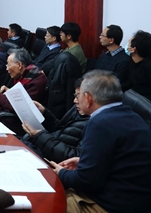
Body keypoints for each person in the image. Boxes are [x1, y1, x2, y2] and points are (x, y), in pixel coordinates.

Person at [50, 70, 151, 213]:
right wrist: (83, 162)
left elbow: (86, 181)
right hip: (135, 200)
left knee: (49, 203)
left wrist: (61, 173)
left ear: (88, 98)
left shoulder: (100, 123)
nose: (75, 100)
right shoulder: (133, 116)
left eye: (78, 95)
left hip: (112, 205)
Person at [22, 78, 89, 163]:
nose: (75, 100)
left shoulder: (97, 124)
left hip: (52, 161)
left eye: (78, 96)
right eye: (75, 96)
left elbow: (74, 157)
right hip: (41, 149)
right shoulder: (77, 109)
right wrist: (44, 113)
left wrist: (39, 136)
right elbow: (60, 129)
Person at [0, 48, 48, 135]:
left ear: (19, 65)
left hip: (23, 124)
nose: (7, 69)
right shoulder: (24, 75)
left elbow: (21, 108)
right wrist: (10, 91)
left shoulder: (37, 80)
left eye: (8, 65)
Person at [125, 30, 151, 100]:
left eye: (129, 42)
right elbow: (128, 84)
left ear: (133, 49)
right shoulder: (132, 63)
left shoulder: (148, 67)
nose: (127, 45)